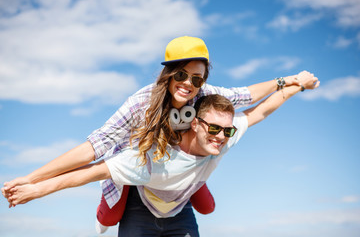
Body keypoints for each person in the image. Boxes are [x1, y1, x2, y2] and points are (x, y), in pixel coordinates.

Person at [2, 36, 304, 231]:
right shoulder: (142, 103)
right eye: (181, 75)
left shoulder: (205, 95)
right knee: (109, 216)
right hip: (145, 170)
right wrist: (33, 179)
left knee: (207, 206)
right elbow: (94, 148)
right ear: (169, 73)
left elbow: (247, 97)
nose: (188, 83)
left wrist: (288, 81)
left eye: (196, 78)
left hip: (188, 169)